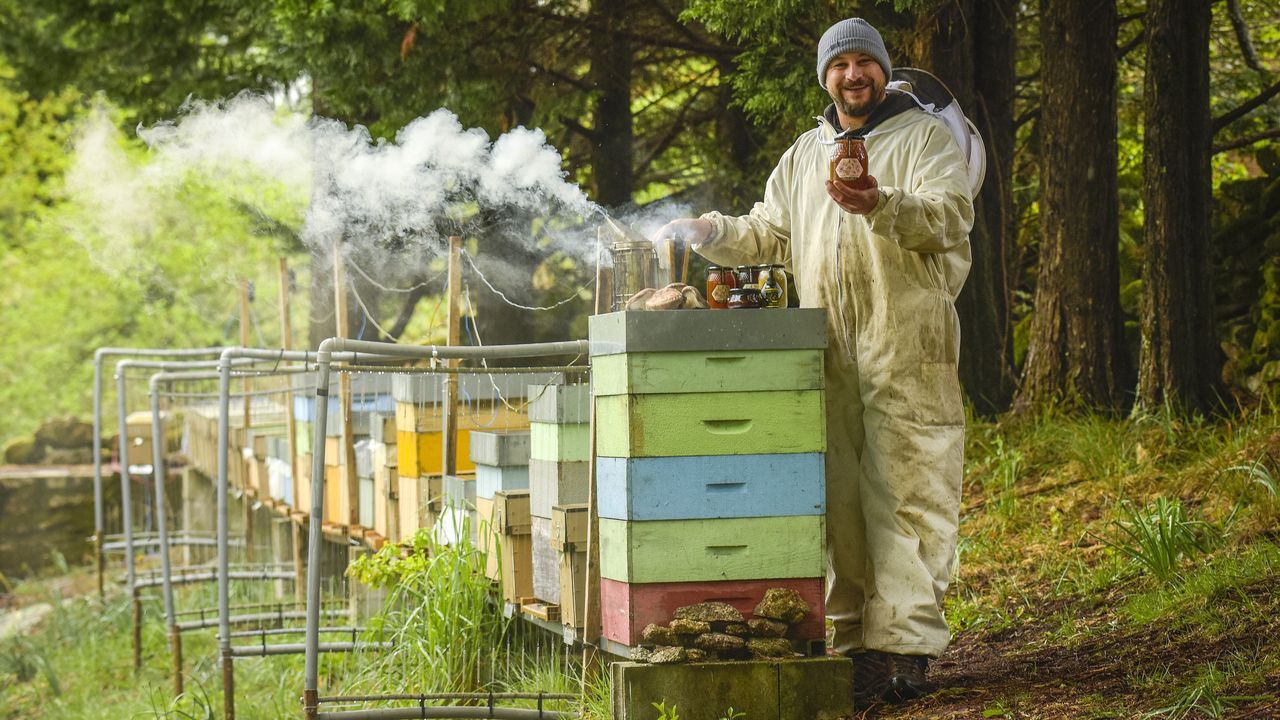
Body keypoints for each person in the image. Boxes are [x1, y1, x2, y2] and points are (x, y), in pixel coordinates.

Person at [655, 17, 974, 705]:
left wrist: (880, 203)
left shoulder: (922, 138)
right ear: (824, 77)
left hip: (907, 343)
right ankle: (857, 642)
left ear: (883, 71)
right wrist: (709, 231)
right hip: (828, 349)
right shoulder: (805, 153)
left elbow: (950, 217)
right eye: (840, 65)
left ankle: (905, 649)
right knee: (842, 504)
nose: (853, 76)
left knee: (910, 494)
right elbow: (770, 230)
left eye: (865, 63)